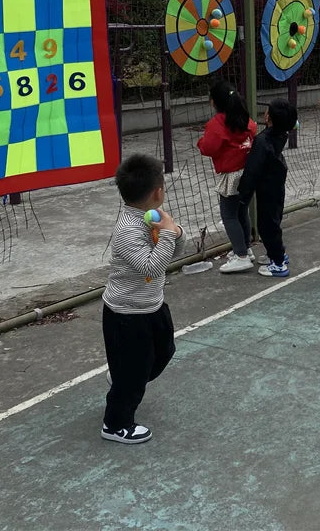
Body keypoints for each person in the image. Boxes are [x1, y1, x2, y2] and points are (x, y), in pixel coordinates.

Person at [102, 153, 185, 444]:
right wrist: (167, 236)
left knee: (165, 351)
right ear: (157, 191)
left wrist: (175, 232)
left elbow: (172, 252)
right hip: (126, 314)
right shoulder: (127, 230)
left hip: (152, 305)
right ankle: (115, 424)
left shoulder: (154, 219)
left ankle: (121, 379)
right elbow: (151, 266)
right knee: (134, 374)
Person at [196, 80, 258, 273]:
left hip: (231, 175)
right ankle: (245, 248)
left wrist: (200, 142)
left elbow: (208, 148)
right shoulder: (244, 118)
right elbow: (253, 130)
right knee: (241, 211)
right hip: (248, 172)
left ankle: (240, 255)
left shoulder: (217, 123)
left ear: (214, 102)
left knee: (229, 215)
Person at [237, 98, 298, 277]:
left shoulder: (263, 141)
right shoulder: (279, 135)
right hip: (276, 186)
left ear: (268, 118)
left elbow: (252, 169)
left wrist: (243, 191)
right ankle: (279, 253)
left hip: (266, 187)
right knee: (273, 221)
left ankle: (278, 263)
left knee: (267, 226)